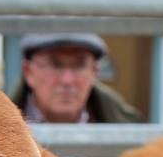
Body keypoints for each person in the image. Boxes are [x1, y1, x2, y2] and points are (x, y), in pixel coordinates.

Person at [10, 33, 142, 124]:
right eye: (55, 65)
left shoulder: (133, 130)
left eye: (79, 66)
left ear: (94, 72)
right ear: (28, 72)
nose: (67, 80)